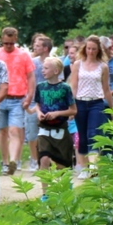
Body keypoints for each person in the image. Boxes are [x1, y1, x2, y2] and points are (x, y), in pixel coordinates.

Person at [68, 35, 113, 179]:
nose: (91, 51)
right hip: (80, 102)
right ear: (85, 49)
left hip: (96, 103)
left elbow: (106, 89)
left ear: (98, 50)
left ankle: (94, 166)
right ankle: (84, 167)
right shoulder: (78, 64)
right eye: (88, 48)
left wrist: (112, 109)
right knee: (81, 136)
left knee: (94, 134)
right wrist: (71, 106)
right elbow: (73, 86)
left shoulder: (103, 67)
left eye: (94, 49)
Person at [0, 27, 35, 176]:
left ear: (15, 40)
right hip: (1, 98)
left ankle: (13, 160)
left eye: (11, 43)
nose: (8, 46)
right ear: (2, 40)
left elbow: (30, 76)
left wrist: (29, 96)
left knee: (14, 130)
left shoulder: (23, 55)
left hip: (17, 99)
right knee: (2, 131)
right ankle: (4, 162)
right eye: (6, 43)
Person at [32, 57, 77, 197]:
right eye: (43, 67)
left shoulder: (65, 88)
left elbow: (73, 110)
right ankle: (45, 194)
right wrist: (39, 113)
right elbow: (37, 105)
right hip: (44, 129)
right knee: (44, 159)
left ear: (56, 71)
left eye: (46, 68)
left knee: (61, 165)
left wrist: (57, 113)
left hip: (60, 130)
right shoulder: (40, 87)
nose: (42, 70)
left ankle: (65, 187)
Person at [25, 34, 53, 171]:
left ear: (45, 48)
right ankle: (34, 159)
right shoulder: (32, 62)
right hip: (33, 101)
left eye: (38, 46)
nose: (34, 48)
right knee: (32, 133)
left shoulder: (54, 63)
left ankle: (48, 159)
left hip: (50, 103)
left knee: (49, 132)